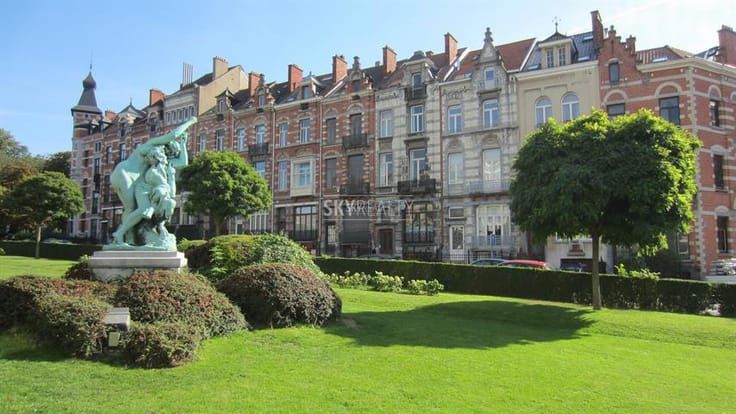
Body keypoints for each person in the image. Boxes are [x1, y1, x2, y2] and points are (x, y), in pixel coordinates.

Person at [109, 117, 195, 245]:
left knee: (132, 208)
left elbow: (183, 162)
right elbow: (173, 135)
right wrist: (190, 121)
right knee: (133, 207)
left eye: (173, 154)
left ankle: (127, 238)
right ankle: (122, 234)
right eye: (172, 151)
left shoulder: (161, 160)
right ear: (167, 146)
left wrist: (183, 144)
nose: (171, 155)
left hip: (131, 179)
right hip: (124, 173)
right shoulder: (150, 145)